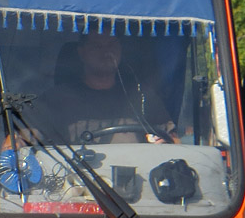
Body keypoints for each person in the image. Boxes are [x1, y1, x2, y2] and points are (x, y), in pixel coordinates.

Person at [36, 32, 177, 145]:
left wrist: (165, 144)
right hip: (75, 178)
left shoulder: (142, 97)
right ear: (82, 52)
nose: (106, 52)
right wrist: (17, 141)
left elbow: (173, 140)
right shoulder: (56, 99)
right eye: (97, 46)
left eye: (112, 45)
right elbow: (21, 139)